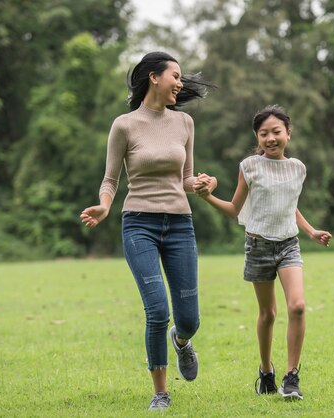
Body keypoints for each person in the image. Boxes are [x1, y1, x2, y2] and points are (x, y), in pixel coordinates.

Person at [80, 51, 216, 411]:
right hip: (138, 223)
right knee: (157, 310)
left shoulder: (184, 122)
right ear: (154, 77)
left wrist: (202, 183)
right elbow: (111, 179)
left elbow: (185, 178)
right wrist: (105, 205)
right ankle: (161, 392)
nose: (181, 83)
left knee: (189, 319)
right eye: (176, 75)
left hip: (180, 225)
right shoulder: (124, 125)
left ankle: (182, 342)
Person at [194, 105, 332, 400]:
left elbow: (288, 205)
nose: (271, 138)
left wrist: (311, 231)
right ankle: (266, 371)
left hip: (288, 245)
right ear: (257, 137)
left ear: (288, 134)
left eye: (276, 132)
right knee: (268, 314)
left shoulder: (298, 168)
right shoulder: (250, 166)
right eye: (264, 133)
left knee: (297, 306)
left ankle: (291, 376)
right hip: (257, 246)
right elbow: (234, 209)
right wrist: (207, 197)